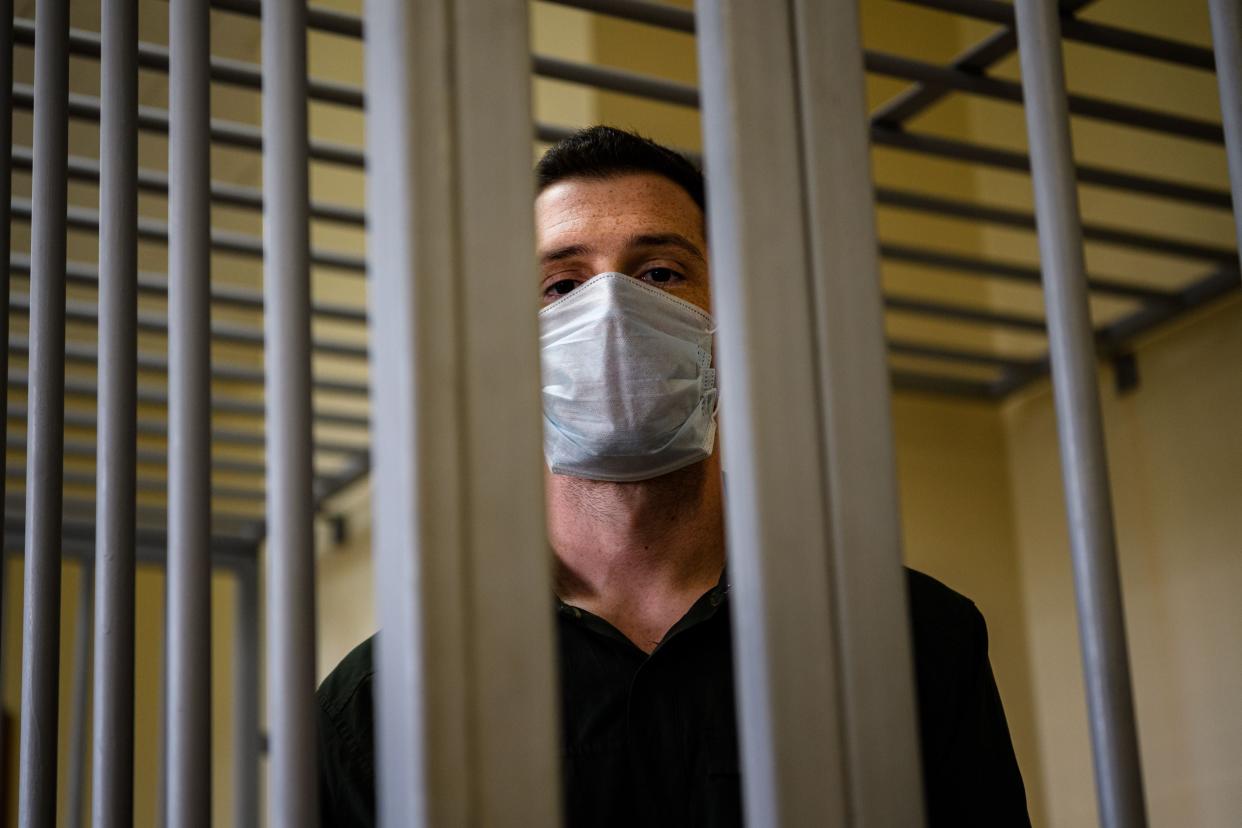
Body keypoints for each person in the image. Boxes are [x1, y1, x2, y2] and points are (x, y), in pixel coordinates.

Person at [317, 126, 1031, 827]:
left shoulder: (906, 640)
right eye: (560, 285)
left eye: (660, 273)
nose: (611, 314)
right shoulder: (386, 704)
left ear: (732, 317)